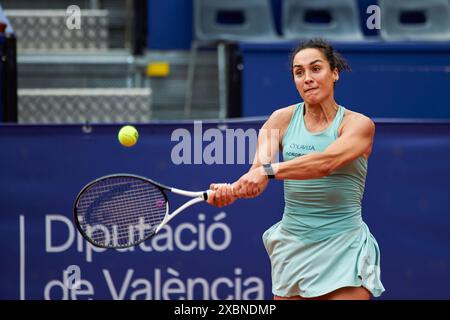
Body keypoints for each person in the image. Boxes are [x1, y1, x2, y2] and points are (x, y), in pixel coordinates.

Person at [207, 38, 385, 300]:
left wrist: (267, 170)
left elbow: (326, 163)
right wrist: (233, 190)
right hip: (293, 246)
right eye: (299, 72)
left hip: (345, 244)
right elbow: (258, 174)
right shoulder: (279, 119)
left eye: (316, 69)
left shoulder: (358, 124)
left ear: (334, 73)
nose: (307, 78)